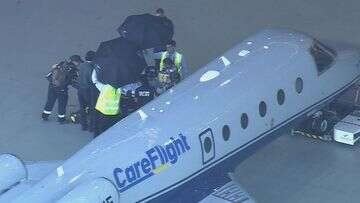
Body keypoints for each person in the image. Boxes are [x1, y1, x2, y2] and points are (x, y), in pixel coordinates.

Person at [41, 55, 83, 123]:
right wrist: (80, 88)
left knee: (50, 101)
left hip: (52, 86)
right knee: (62, 103)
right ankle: (61, 118)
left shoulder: (61, 63)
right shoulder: (73, 70)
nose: (79, 64)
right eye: (78, 62)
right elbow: (73, 82)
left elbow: (51, 74)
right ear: (75, 62)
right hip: (62, 89)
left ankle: (45, 115)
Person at [77, 51, 96, 131]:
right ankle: (91, 127)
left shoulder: (81, 65)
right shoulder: (92, 67)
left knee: (82, 108)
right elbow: (93, 80)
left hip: (80, 89)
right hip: (89, 90)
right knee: (92, 108)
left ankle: (83, 125)